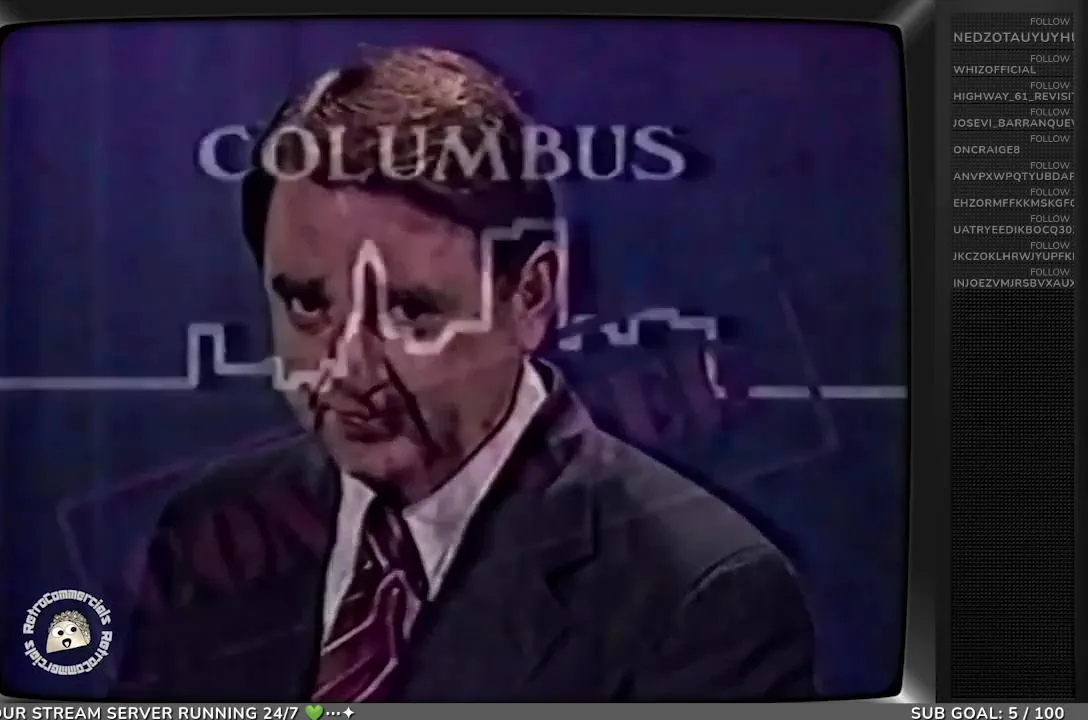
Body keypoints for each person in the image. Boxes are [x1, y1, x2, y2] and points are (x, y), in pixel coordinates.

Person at [112, 46, 815, 701]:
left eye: (413, 310)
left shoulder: (700, 596)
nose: (348, 368)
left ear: (532, 296)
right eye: (308, 304)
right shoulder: (208, 533)